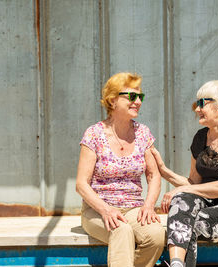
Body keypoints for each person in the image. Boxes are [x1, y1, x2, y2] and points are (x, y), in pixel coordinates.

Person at [151, 80, 218, 267]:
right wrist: (163, 170)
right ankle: (177, 264)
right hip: (210, 204)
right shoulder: (200, 137)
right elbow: (193, 183)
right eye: (196, 104)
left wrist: (178, 191)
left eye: (202, 103)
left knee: (190, 222)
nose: (197, 109)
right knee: (181, 202)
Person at [76, 72, 166, 267]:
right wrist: (105, 210)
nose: (138, 102)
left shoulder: (143, 133)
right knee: (122, 230)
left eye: (140, 97)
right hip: (98, 210)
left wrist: (149, 205)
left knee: (157, 235)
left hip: (134, 207)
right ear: (113, 100)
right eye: (132, 97)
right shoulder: (94, 134)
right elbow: (81, 184)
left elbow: (153, 175)